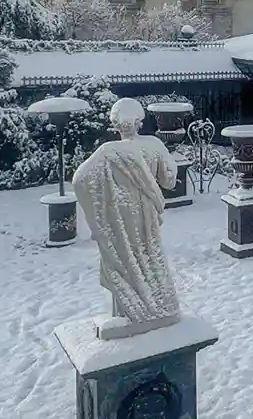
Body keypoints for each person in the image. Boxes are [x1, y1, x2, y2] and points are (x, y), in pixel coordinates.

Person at [71, 97, 181, 337]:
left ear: (115, 124)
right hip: (146, 217)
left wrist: (102, 208)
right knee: (150, 257)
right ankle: (159, 307)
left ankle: (132, 313)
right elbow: (169, 181)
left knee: (125, 260)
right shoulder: (153, 145)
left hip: (120, 219)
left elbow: (79, 180)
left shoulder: (107, 152)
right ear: (140, 121)